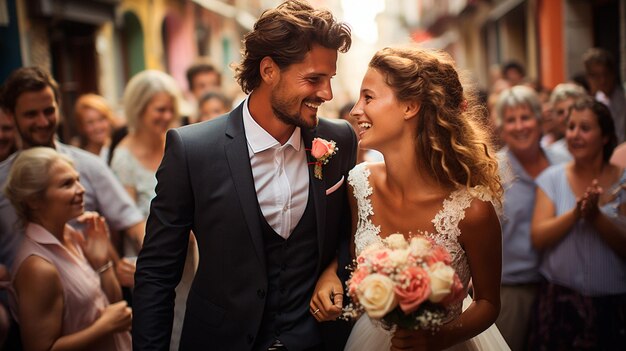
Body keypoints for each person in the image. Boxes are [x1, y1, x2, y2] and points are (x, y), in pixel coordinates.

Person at [132, 1, 355, 350]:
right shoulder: (192, 151)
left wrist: (334, 268)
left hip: (317, 341)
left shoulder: (339, 139)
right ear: (268, 70)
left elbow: (350, 231)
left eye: (330, 80)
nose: (326, 93)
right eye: (314, 79)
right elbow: (157, 273)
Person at [333, 46, 509, 350]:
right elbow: (347, 263)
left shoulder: (472, 211)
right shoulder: (358, 184)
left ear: (409, 107)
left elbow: (488, 303)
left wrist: (438, 336)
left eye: (369, 97)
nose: (355, 110)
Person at [0, 67, 143, 288]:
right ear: (10, 115)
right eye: (31, 114)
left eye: (49, 111)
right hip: (21, 309)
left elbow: (133, 223)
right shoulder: (2, 181)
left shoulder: (89, 166)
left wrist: (154, 263)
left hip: (93, 298)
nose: (43, 121)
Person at [4, 147, 132, 350]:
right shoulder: (38, 267)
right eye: (67, 184)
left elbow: (114, 304)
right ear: (34, 201)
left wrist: (102, 262)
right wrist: (103, 326)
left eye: (77, 180)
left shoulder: (70, 235)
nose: (81, 190)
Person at [530, 97, 626, 349]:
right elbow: (538, 238)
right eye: (571, 127)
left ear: (605, 136)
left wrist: (596, 218)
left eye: (585, 128)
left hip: (612, 306)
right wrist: (576, 214)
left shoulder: (623, 181)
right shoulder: (551, 178)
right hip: (560, 303)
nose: (575, 134)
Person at [110, 69, 195, 350]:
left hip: (189, 258)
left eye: (171, 109)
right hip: (152, 257)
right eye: (159, 109)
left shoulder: (177, 143)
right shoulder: (123, 157)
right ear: (138, 108)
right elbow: (129, 220)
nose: (166, 116)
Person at [493, 86, 570, 350]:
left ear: (540, 121)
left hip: (563, 289)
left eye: (525, 117)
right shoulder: (493, 170)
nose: (519, 126)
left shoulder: (564, 161)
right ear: (501, 128)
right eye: (511, 120)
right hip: (513, 291)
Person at [583, 47, 626, 143]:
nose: (603, 80)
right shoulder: (595, 101)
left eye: (606, 74)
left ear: (613, 74)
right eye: (596, 76)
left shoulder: (623, 98)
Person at [543, 83, 587, 156]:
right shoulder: (551, 153)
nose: (566, 116)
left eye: (571, 109)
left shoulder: (595, 146)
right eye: (560, 112)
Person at [72, 93, 117, 162]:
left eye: (101, 119)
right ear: (81, 126)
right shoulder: (79, 158)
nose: (97, 127)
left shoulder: (120, 149)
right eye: (90, 122)